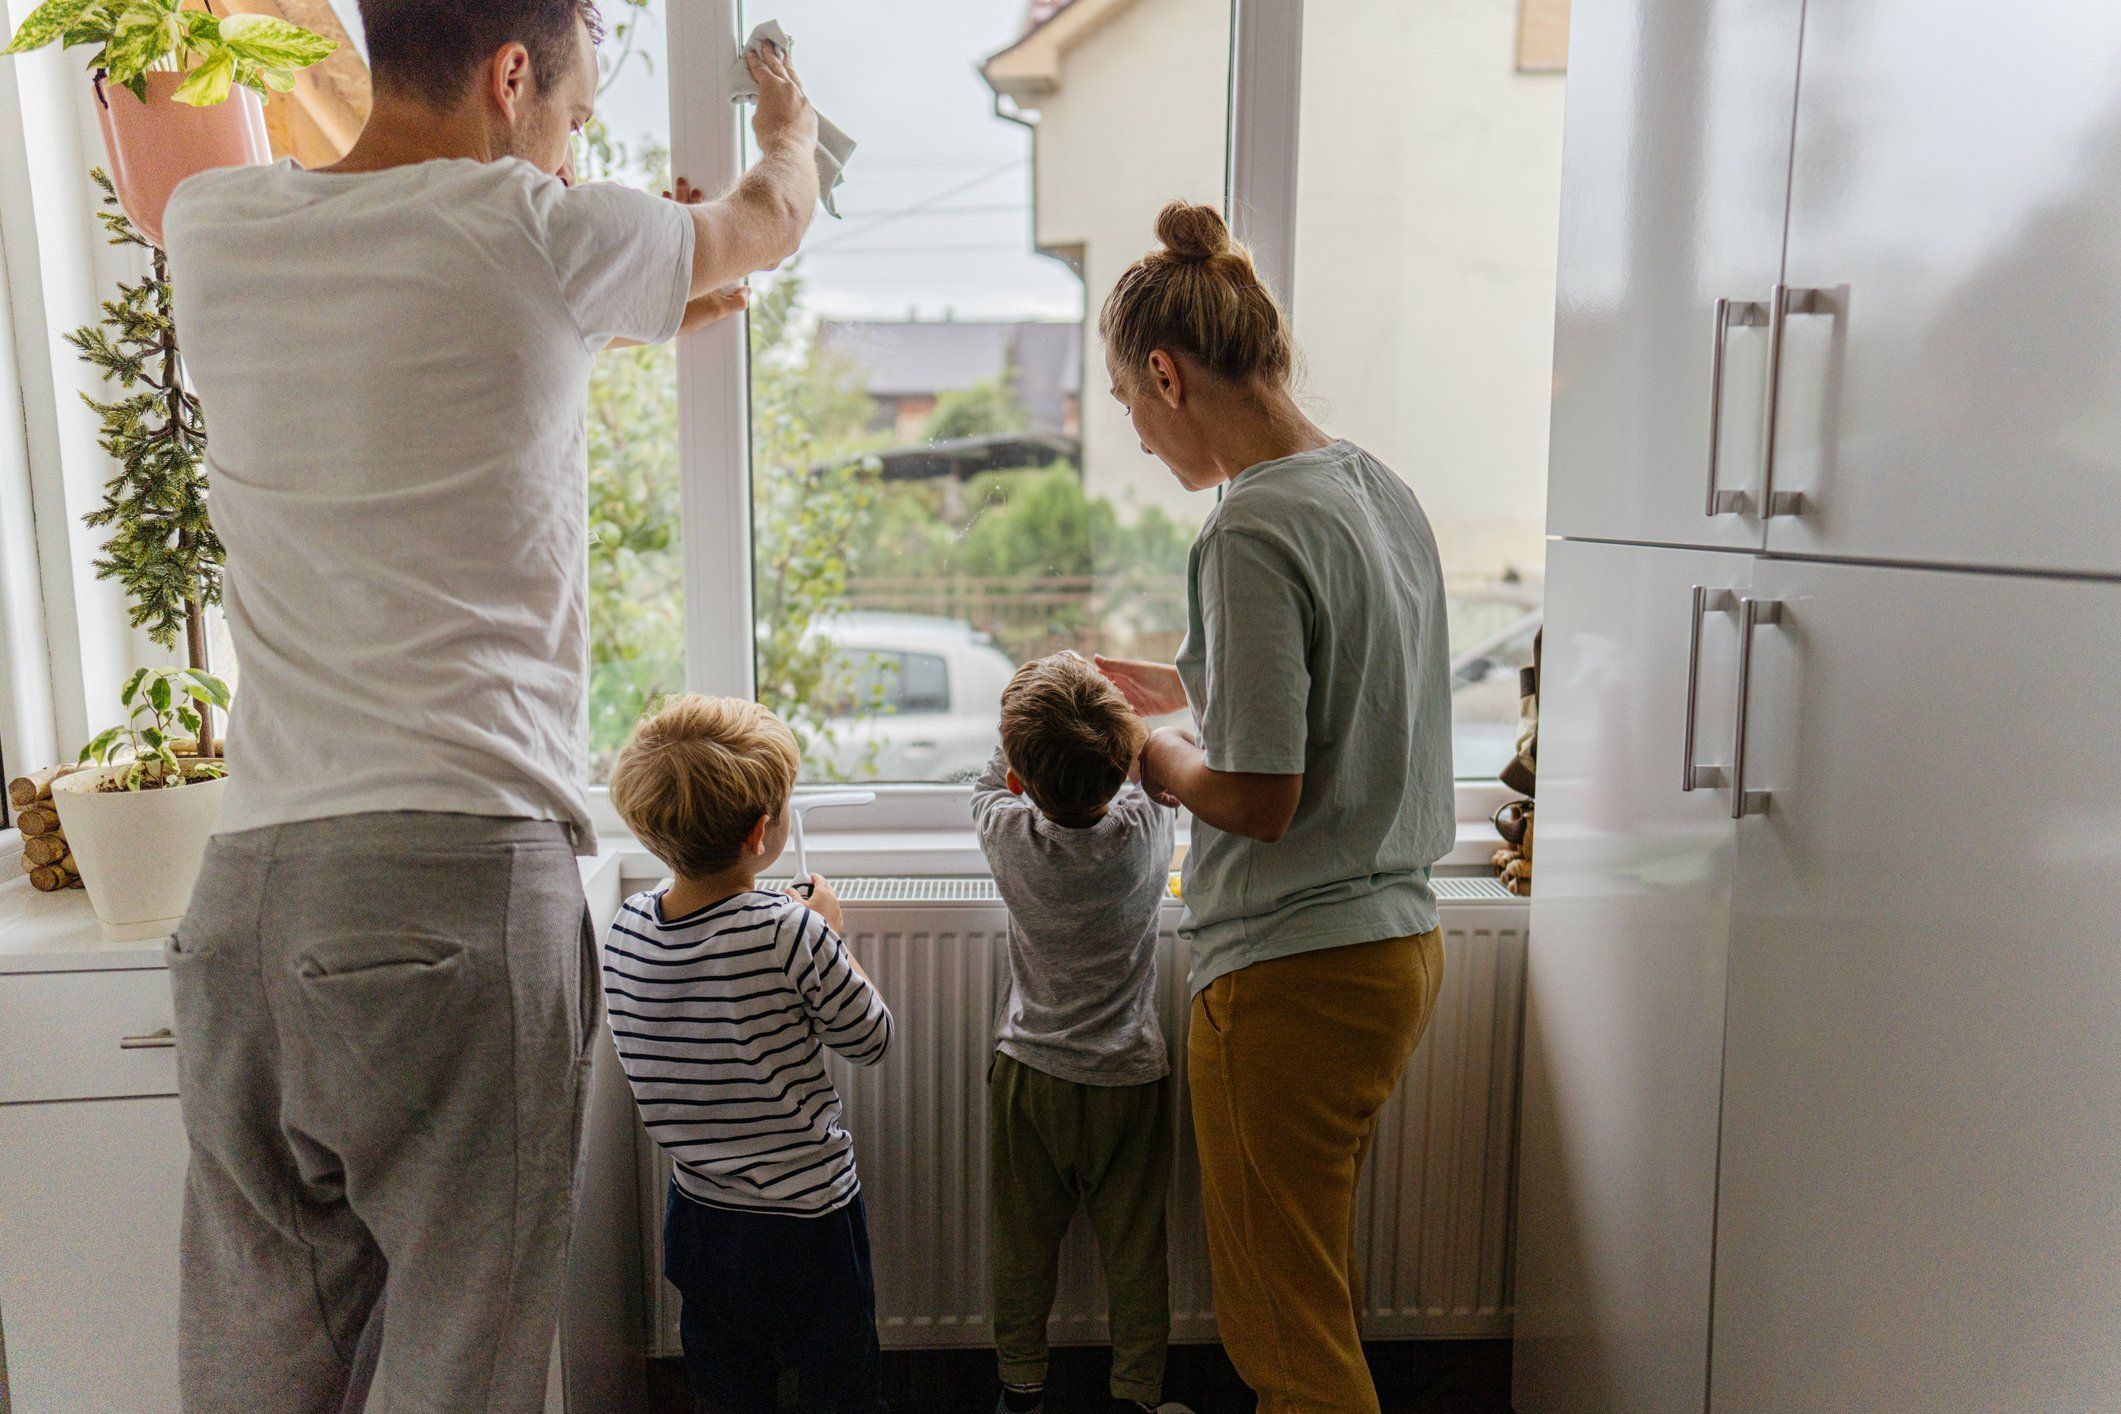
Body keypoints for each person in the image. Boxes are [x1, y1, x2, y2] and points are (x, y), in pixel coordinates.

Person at [155, 1, 822, 1406]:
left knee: (259, 1375)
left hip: (246, 910)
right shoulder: (541, 229)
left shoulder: (211, 226)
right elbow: (766, 220)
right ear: (511, 76)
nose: (574, 157)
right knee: (461, 1374)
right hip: (448, 896)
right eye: (574, 121)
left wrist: (631, 283)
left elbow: (420, 349)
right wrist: (786, 130)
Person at [1093, 202, 1456, 1414]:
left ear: (1165, 371)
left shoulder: (1246, 522)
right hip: (1394, 945)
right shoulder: (1368, 484)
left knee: (1281, 1336)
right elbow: (1347, 677)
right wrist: (1176, 683)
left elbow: (1256, 792)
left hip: (1292, 974)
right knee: (1315, 1291)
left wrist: (1148, 752)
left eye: (1132, 408)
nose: (1140, 439)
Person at [606, 695, 892, 1414]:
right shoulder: (788, 933)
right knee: (839, 1383)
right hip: (806, 1224)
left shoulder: (628, 926)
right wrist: (830, 934)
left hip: (698, 1215)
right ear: (761, 832)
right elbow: (871, 1038)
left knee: (728, 1383)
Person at [970, 654, 1188, 1414]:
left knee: (1022, 1250)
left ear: (1019, 784)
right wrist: (1122, 720)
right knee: (1136, 1256)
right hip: (1130, 1078)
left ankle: (1021, 1388)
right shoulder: (1146, 827)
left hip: (1031, 1075)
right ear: (1121, 760)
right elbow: (1167, 760)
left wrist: (1027, 712)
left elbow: (985, 782)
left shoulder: (1008, 834)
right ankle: (1134, 1395)